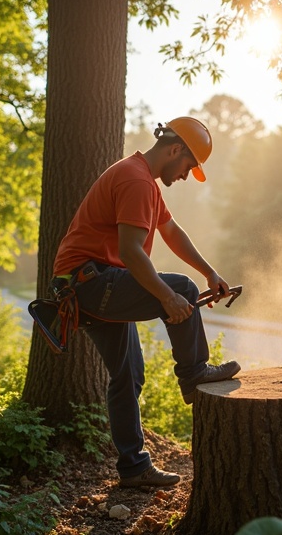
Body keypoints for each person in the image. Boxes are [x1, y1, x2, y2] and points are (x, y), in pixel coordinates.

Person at [51, 116, 241, 488]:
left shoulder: (144, 182)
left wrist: (210, 272)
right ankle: (194, 373)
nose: (187, 175)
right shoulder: (135, 180)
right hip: (91, 283)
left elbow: (171, 231)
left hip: (88, 285)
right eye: (189, 166)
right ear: (174, 150)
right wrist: (169, 298)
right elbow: (131, 253)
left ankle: (133, 468)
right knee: (182, 290)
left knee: (128, 376)